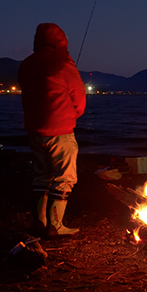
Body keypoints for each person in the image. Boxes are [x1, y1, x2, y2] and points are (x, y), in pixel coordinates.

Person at [18, 23, 87, 237]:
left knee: (42, 176)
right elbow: (79, 98)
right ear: (61, 42)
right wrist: (73, 115)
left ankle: (40, 222)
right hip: (60, 130)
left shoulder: (26, 65)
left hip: (35, 131)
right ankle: (56, 226)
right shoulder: (63, 64)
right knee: (64, 178)